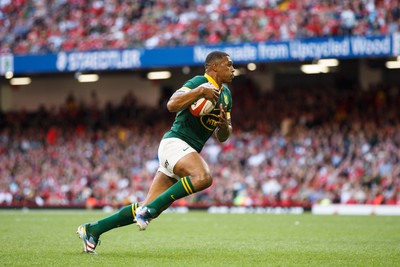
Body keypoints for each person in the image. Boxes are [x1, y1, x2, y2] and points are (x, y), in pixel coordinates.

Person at [77, 50, 235, 254]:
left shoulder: (226, 95)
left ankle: (93, 230)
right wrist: (199, 92)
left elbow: (224, 135)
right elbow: (171, 104)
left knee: (151, 204)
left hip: (186, 152)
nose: (233, 69)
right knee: (203, 177)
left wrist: (223, 126)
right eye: (229, 65)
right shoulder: (198, 82)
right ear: (214, 67)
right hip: (175, 144)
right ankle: (147, 211)